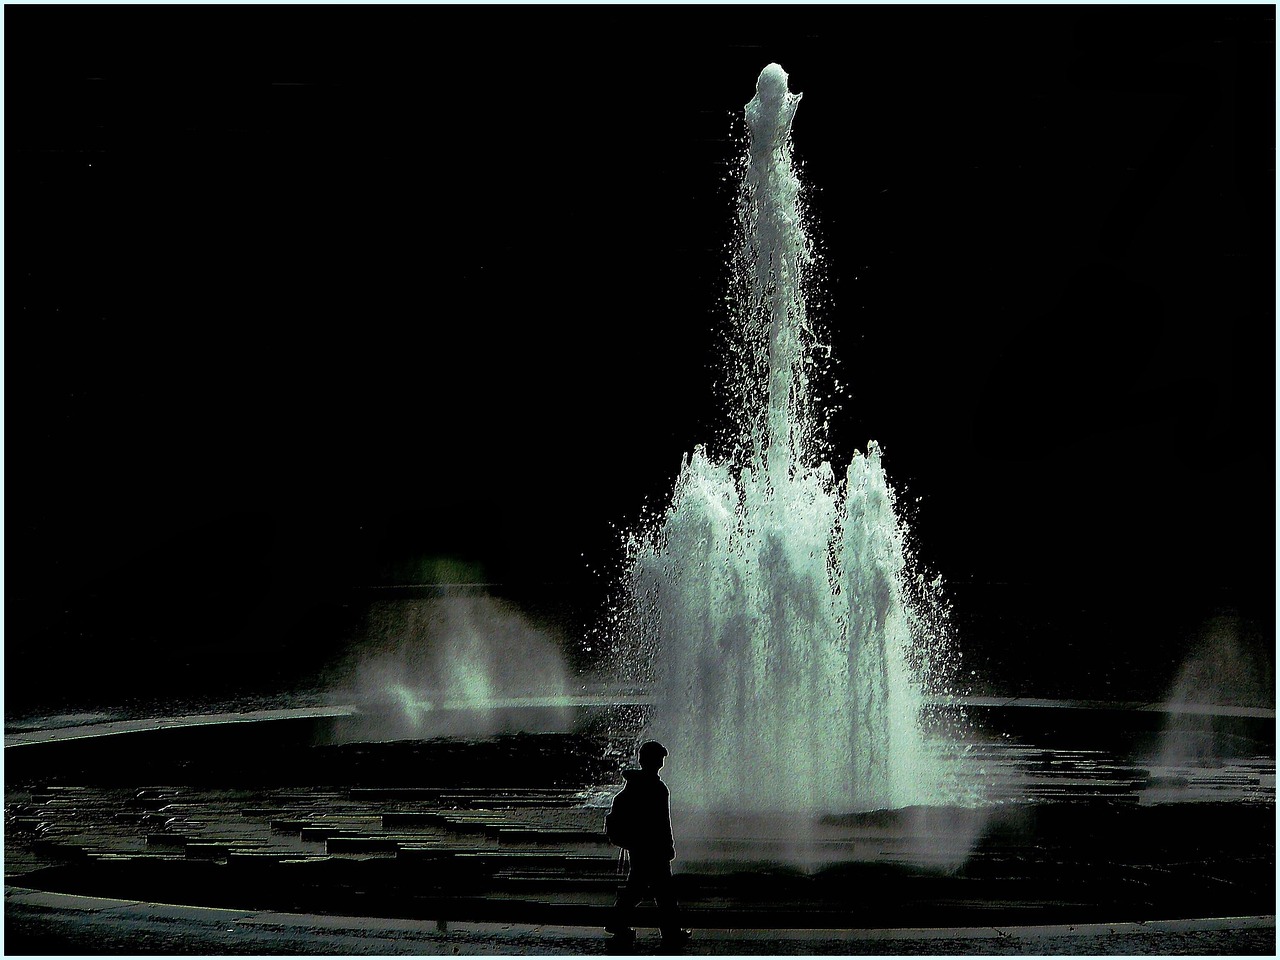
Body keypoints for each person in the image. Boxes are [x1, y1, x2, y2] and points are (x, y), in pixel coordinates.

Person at [605, 740, 692, 946]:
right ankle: (670, 932)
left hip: (638, 846)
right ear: (655, 761)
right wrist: (668, 845)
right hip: (654, 848)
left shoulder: (633, 786)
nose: (662, 761)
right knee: (663, 892)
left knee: (638, 887)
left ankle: (617, 922)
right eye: (660, 758)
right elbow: (662, 821)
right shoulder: (657, 788)